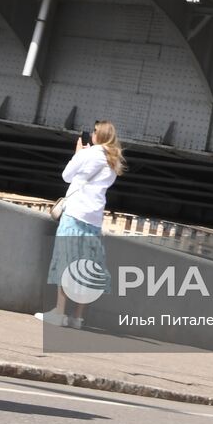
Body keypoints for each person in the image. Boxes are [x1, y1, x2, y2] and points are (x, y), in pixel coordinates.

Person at [36, 121, 125, 330]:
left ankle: (59, 313)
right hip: (94, 219)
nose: (92, 134)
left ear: (99, 134)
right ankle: (77, 318)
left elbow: (66, 176)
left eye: (94, 131)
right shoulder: (114, 160)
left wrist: (78, 154)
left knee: (66, 262)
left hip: (75, 214)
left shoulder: (89, 154)